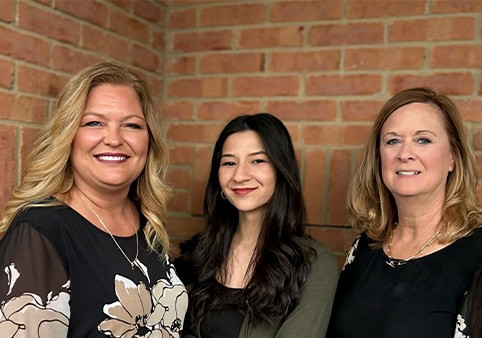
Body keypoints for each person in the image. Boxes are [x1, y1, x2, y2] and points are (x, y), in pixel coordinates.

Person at [0, 62, 187, 337]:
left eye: (132, 125)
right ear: (69, 135)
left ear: (149, 140)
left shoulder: (146, 222)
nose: (114, 139)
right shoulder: (40, 231)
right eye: (94, 122)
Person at [326, 87, 482, 338]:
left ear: (453, 156)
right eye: (393, 141)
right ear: (379, 158)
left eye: (423, 140)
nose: (405, 154)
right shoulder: (364, 246)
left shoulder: (477, 255)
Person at [175, 113, 339, 338]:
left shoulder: (316, 264)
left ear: (280, 170)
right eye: (229, 162)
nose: (240, 175)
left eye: (257, 160)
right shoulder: (198, 253)